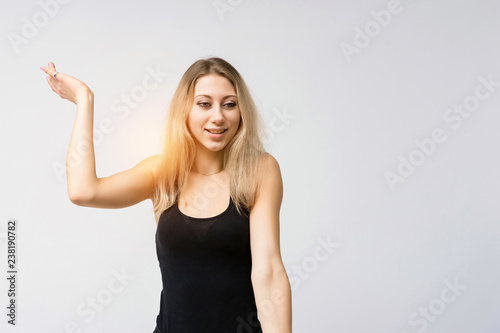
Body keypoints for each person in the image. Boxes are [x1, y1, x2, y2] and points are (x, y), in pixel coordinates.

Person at [41, 57, 292, 332]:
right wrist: (83, 100)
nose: (218, 116)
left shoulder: (260, 170)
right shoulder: (163, 172)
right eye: (204, 104)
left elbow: (268, 273)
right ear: (185, 109)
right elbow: (83, 191)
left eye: (229, 104)